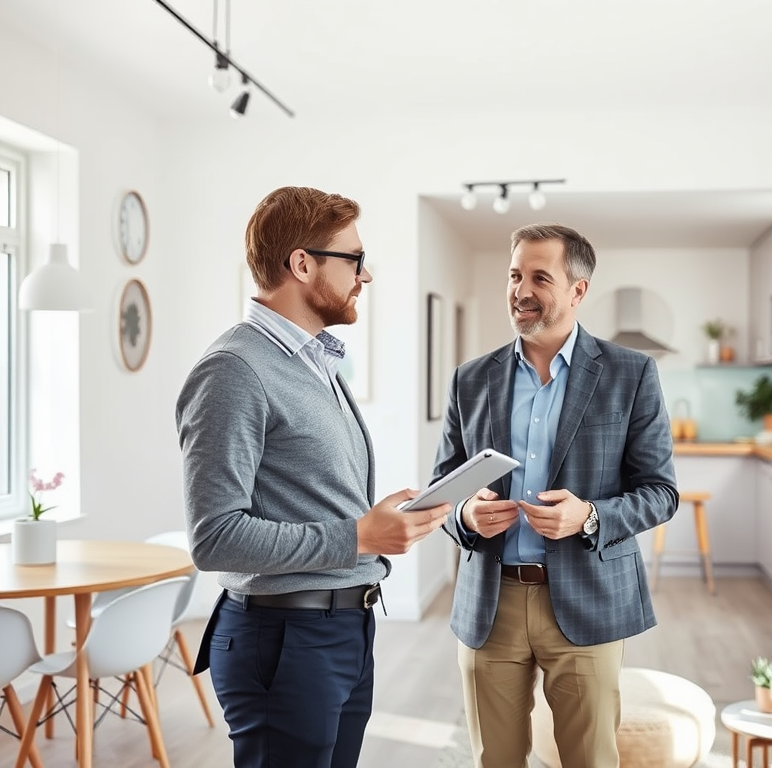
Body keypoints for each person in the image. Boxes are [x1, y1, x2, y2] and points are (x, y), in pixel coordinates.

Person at [175, 185, 449, 768]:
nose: (365, 275)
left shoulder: (316, 360)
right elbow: (215, 538)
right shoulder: (233, 371)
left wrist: (376, 527)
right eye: (353, 259)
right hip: (284, 638)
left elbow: (311, 499)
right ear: (302, 264)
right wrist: (359, 536)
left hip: (343, 626)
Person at [431, 223, 678, 768]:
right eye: (515, 275)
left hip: (588, 600)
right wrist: (466, 514)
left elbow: (661, 493)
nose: (521, 290)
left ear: (577, 291)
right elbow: (441, 491)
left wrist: (589, 515)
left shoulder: (631, 374)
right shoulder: (469, 380)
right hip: (488, 605)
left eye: (540, 277)